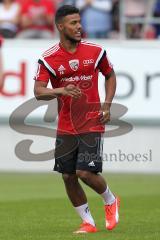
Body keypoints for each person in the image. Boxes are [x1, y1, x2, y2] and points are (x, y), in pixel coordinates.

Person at [34, 5, 120, 234]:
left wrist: (107, 104)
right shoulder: (49, 58)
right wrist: (61, 91)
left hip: (92, 119)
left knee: (85, 172)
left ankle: (110, 200)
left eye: (79, 21)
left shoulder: (95, 51)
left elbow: (110, 75)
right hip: (66, 124)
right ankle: (88, 223)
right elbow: (38, 91)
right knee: (68, 176)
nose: (79, 26)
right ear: (60, 26)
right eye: (73, 23)